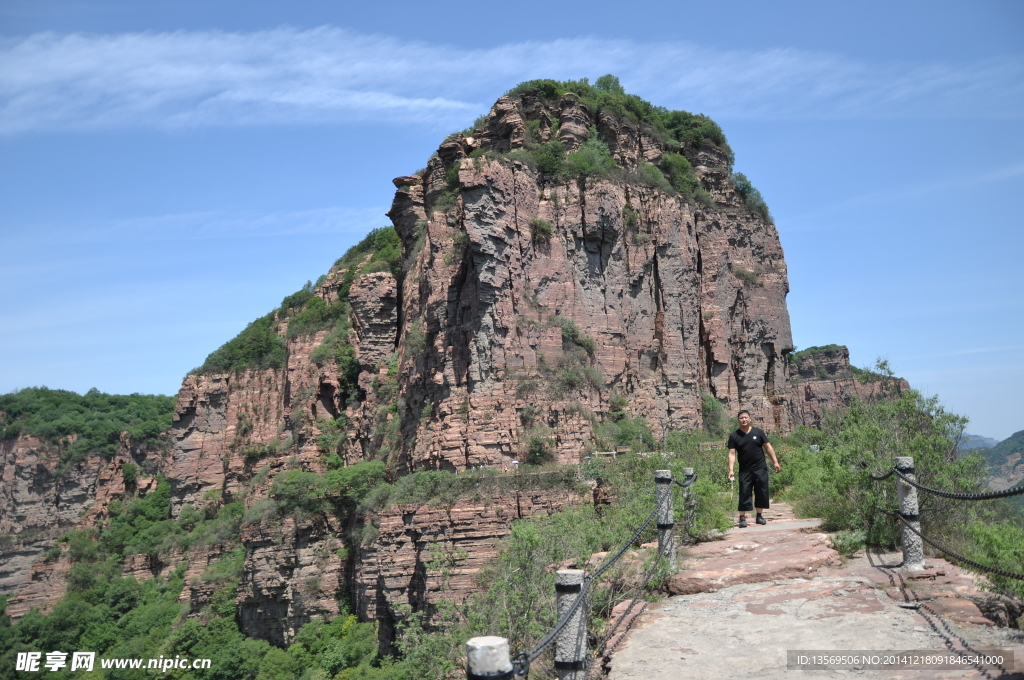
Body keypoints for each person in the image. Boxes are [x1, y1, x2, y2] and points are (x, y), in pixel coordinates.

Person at [727, 410, 781, 528]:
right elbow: (732, 454)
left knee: (761, 491)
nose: (744, 419)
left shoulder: (758, 432)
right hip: (744, 470)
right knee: (744, 492)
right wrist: (731, 469)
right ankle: (742, 518)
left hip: (760, 468)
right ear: (738, 420)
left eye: (746, 417)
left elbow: (768, 447)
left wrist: (775, 462)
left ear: (750, 419)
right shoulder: (734, 436)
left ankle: (759, 516)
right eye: (741, 418)